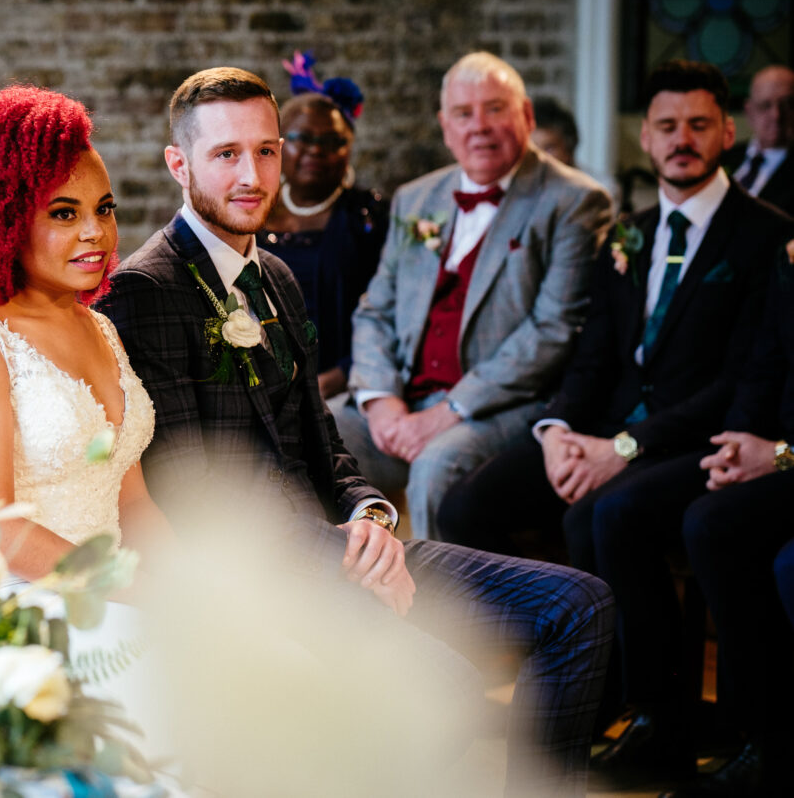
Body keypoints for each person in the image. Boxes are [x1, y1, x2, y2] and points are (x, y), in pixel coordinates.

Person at [96, 66, 614, 797]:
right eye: (226, 154)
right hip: (267, 579)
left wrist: (370, 516)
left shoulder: (274, 275)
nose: (254, 174)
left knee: (580, 606)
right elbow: (194, 492)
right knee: (448, 687)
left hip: (349, 549)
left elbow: (325, 444)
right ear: (179, 164)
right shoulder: (146, 290)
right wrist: (345, 553)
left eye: (266, 150)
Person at [438, 60, 793, 790]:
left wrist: (624, 447)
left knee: (613, 512)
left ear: (727, 131)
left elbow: (741, 376)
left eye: (699, 125)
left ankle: (646, 712)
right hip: (599, 431)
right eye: (666, 126)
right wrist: (561, 429)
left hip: (688, 438)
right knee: (471, 500)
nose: (682, 140)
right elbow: (593, 350)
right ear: (647, 137)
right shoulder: (626, 234)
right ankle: (556, 689)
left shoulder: (765, 238)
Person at [0, 83, 174, 582]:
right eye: (64, 213)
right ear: (0, 222)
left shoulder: (101, 329)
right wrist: (140, 590)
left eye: (104, 209)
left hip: (123, 591)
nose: (96, 232)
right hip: (37, 603)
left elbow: (132, 504)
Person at [332, 52, 611, 539]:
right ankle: (323, 606)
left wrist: (448, 411)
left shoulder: (574, 201)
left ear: (526, 116)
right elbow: (375, 309)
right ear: (446, 127)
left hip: (498, 409)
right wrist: (380, 400)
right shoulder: (417, 198)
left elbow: (552, 331)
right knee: (308, 433)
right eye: (464, 113)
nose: (479, 126)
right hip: (402, 399)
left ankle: (436, 614)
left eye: (495, 109)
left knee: (437, 467)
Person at [661, 251, 794, 798]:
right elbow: (764, 363)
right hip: (780, 451)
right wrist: (737, 444)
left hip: (788, 455)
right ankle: (755, 737)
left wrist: (784, 454)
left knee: (790, 564)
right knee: (712, 522)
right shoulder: (787, 251)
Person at [256, 52, 388, 407]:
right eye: (303, 138)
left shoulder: (368, 216)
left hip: (344, 387)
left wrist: (341, 376)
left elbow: (391, 310)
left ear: (348, 149)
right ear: (279, 144)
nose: (317, 150)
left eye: (333, 142)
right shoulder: (253, 212)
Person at [723, 64, 794, 216]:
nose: (776, 115)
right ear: (749, 111)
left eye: (787, 105)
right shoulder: (723, 156)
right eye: (765, 105)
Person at [531, 96, 579, 167]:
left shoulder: (590, 178)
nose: (539, 157)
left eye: (548, 149)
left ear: (569, 152)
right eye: (532, 150)